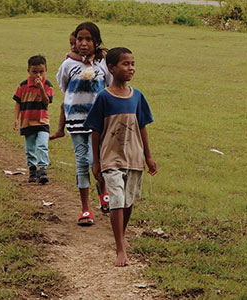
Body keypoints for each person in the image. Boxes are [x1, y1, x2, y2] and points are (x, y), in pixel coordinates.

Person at [84, 47, 158, 267]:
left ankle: (121, 236)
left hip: (134, 157)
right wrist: (96, 162)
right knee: (116, 198)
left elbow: (142, 127)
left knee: (128, 201)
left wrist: (149, 156)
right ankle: (120, 248)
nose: (131, 68)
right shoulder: (103, 98)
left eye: (133, 63)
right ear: (111, 68)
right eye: (125, 64)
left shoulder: (137, 96)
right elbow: (95, 131)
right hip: (111, 158)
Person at [55, 22, 112, 226]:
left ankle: (103, 191)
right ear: (75, 42)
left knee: (97, 161)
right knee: (82, 162)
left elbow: (110, 86)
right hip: (76, 121)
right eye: (80, 39)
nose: (84, 43)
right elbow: (64, 87)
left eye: (88, 39)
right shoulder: (68, 65)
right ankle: (86, 209)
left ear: (96, 42)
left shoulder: (103, 64)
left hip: (98, 121)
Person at [13, 55, 53, 184]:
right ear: (28, 71)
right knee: (30, 148)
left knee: (42, 145)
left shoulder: (47, 85)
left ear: (46, 70)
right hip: (27, 122)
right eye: (34, 72)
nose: (38, 75)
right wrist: (16, 118)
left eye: (41, 72)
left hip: (42, 121)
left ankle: (42, 169)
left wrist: (41, 87)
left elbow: (46, 101)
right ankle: (32, 169)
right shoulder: (23, 85)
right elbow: (18, 102)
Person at [50, 31, 78, 141]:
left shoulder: (78, 57)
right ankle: (60, 130)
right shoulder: (70, 59)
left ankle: (60, 130)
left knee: (64, 106)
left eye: (74, 44)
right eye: (71, 44)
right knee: (63, 106)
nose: (72, 47)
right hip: (72, 93)